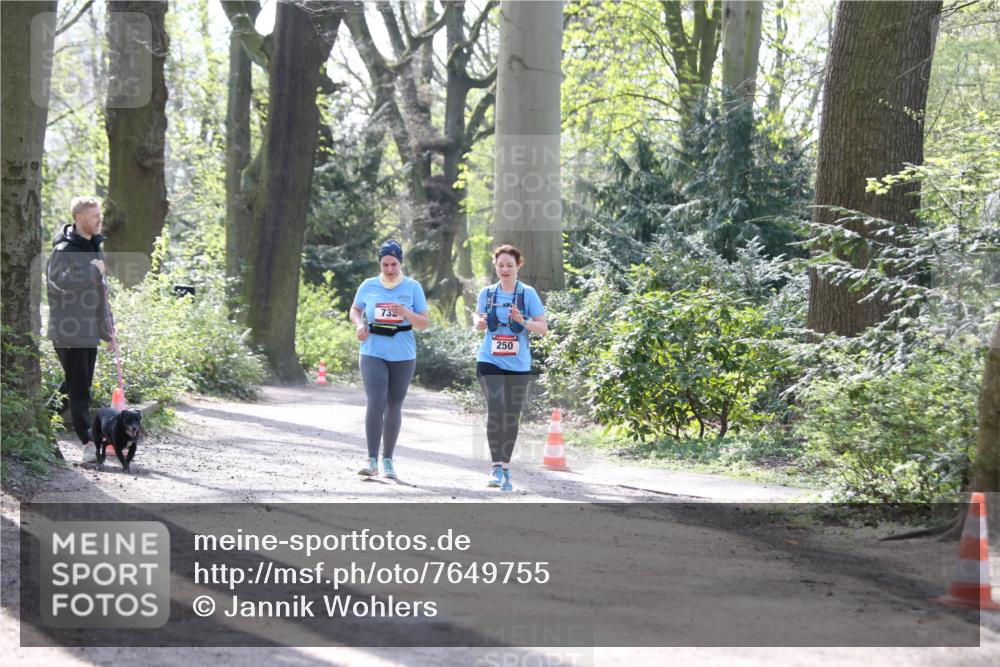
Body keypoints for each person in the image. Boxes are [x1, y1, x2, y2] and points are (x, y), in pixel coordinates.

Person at [349, 240, 429, 479]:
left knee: (394, 405)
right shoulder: (369, 285)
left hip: (403, 354)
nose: (390, 269)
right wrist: (360, 325)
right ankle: (372, 460)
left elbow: (424, 323)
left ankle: (388, 460)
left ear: (400, 262)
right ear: (380, 264)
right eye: (385, 264)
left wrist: (406, 313)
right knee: (375, 401)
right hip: (372, 350)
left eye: (394, 264)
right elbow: (355, 309)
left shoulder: (412, 287)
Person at [474, 245, 547, 491]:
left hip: (518, 365)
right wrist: (480, 322)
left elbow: (542, 328)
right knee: (497, 410)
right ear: (495, 266)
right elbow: (478, 320)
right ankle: (495, 468)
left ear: (518, 267)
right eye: (500, 265)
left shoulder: (528, 294)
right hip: (489, 360)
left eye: (509, 265)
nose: (504, 269)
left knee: (511, 416)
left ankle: (506, 468)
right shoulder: (487, 293)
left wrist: (522, 320)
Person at [46, 196, 112, 464]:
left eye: (100, 215)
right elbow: (59, 282)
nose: (99, 219)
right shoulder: (63, 250)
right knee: (80, 388)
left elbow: (101, 293)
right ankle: (87, 443)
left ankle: (42, 418)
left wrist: (108, 330)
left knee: (76, 384)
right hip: (67, 328)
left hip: (88, 330)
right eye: (94, 215)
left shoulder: (95, 248)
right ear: (79, 217)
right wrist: (91, 272)